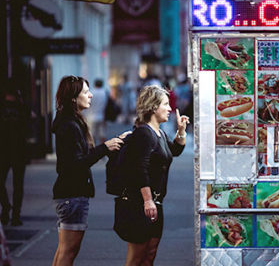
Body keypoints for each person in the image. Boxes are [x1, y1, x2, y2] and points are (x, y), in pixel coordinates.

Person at [51, 75, 129, 266]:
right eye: (86, 92)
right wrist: (105, 147)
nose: (91, 95)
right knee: (69, 251)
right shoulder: (70, 125)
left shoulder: (70, 122)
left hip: (71, 194)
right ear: (73, 98)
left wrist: (109, 146)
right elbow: (75, 164)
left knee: (64, 250)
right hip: (72, 194)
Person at [120, 85, 189, 266]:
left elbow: (173, 151)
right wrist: (147, 200)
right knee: (136, 257)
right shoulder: (144, 133)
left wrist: (181, 131)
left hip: (155, 203)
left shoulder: (158, 132)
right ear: (152, 107)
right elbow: (139, 168)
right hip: (140, 204)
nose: (170, 108)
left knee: (150, 254)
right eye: (165, 104)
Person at [0, 86, 31, 226]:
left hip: (3, 150)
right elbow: (33, 120)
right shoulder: (23, 107)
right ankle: (16, 216)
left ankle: (6, 208)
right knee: (18, 185)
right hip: (19, 150)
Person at [86, 78, 108, 143]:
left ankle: (93, 149)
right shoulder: (104, 93)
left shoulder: (91, 92)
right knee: (102, 135)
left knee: (92, 136)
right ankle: (104, 149)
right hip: (101, 116)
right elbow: (106, 106)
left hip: (91, 117)